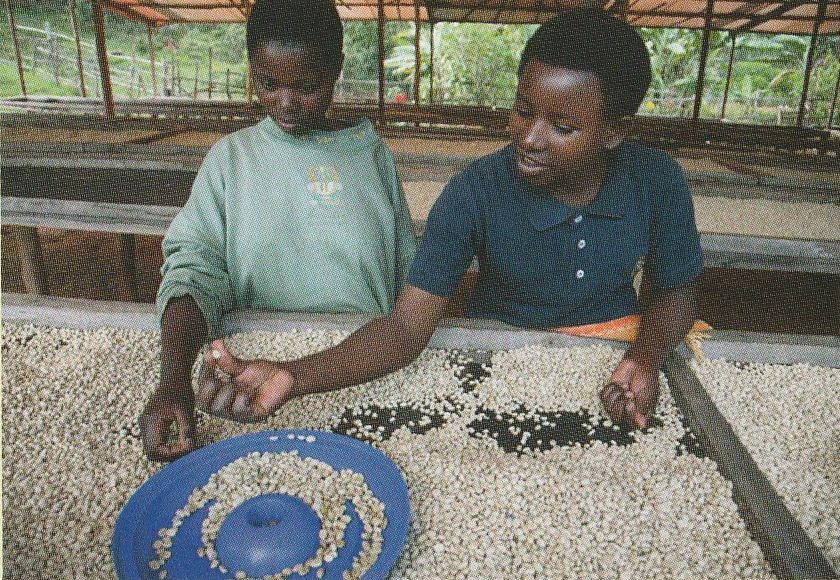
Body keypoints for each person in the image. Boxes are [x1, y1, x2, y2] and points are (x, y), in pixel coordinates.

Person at [195, 9, 705, 433]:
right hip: (492, 349)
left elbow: (675, 290)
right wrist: (291, 376)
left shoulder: (656, 180)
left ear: (615, 131)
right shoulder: (474, 191)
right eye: (524, 111)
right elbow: (403, 328)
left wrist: (643, 359)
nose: (530, 137)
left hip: (613, 345)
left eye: (563, 126)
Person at [139, 0, 417, 461]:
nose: (286, 103)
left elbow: (407, 279)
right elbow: (193, 271)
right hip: (254, 378)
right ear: (253, 70)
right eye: (269, 83)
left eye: (306, 86)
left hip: (356, 367)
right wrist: (174, 380)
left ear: (335, 70)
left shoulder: (371, 156)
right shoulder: (232, 160)